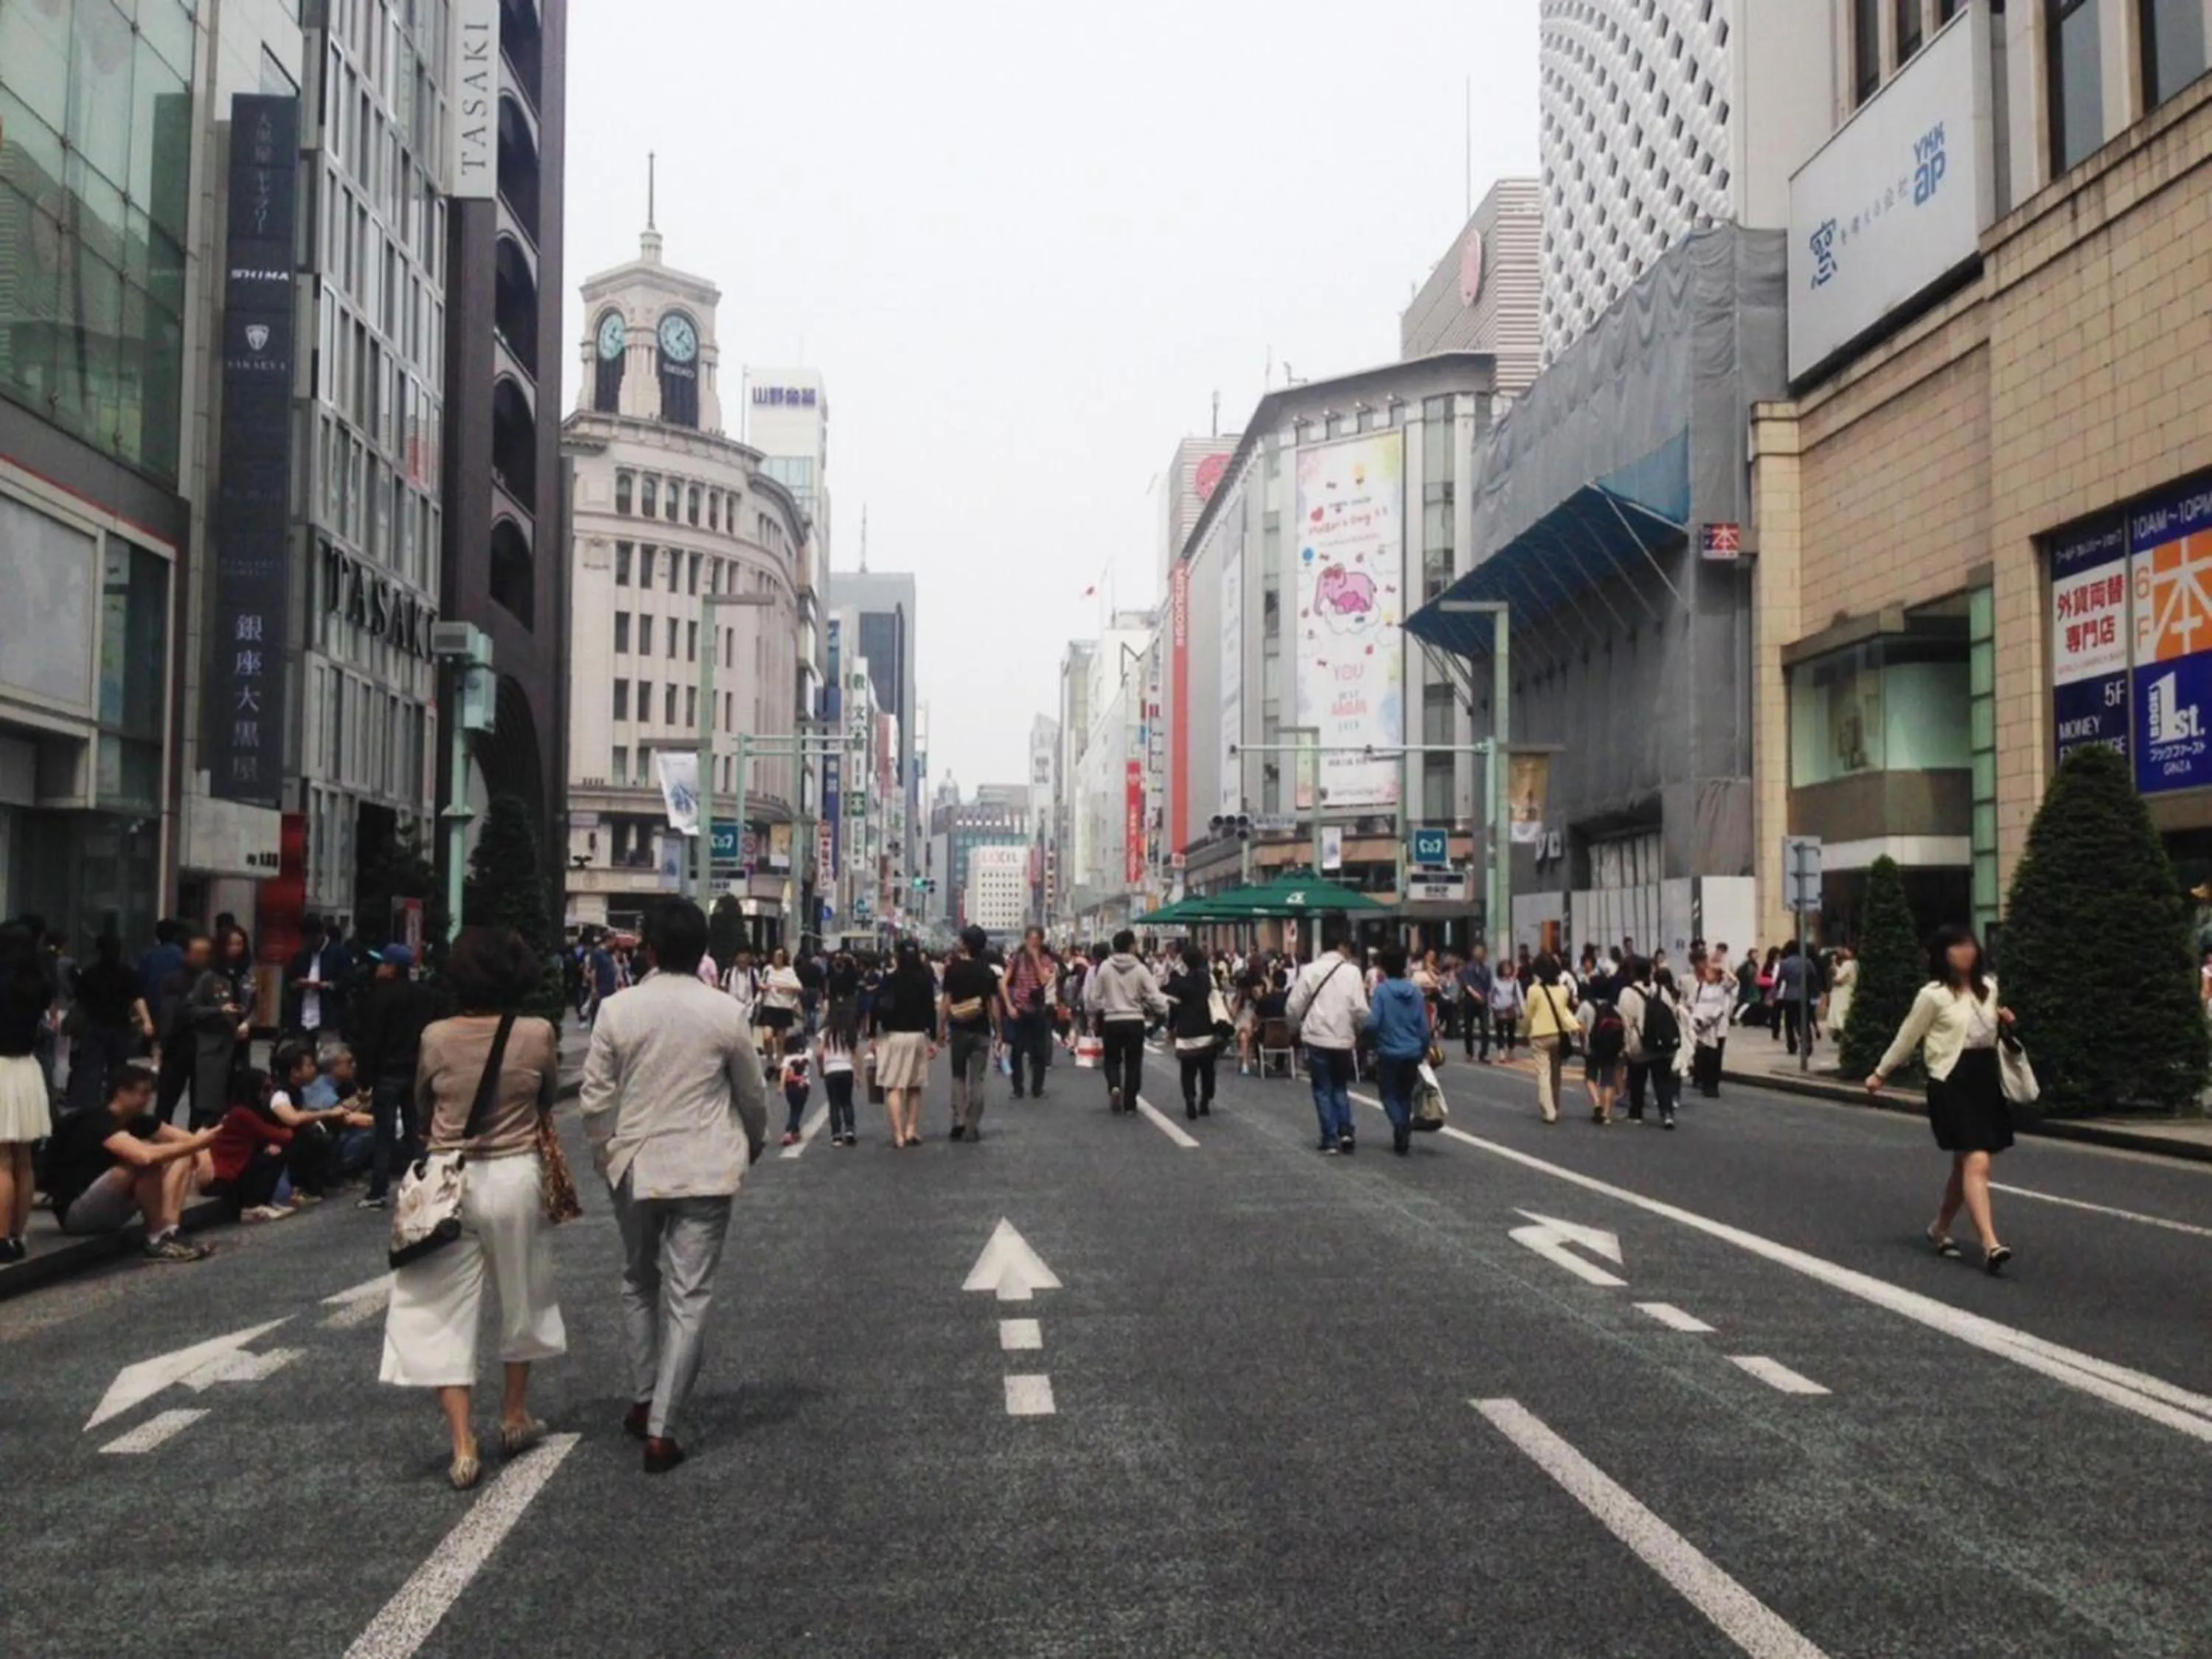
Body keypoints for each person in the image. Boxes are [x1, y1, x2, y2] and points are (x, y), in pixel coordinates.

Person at [581, 900, 768, 1474]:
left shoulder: (616, 1010)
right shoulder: (725, 1012)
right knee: (691, 1296)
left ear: (650, 950)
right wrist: (751, 1144)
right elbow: (752, 1095)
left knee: (639, 1279)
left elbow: (594, 1099)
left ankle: (643, 1397)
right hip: (707, 1164)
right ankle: (664, 1427)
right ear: (703, 951)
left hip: (635, 1162)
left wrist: (604, 1153)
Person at [382, 928, 568, 1490]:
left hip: (447, 1178)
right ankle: (514, 1414)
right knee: (524, 1292)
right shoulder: (537, 1033)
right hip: (515, 1174)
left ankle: (463, 1444)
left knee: (437, 1308)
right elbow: (547, 1098)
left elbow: (422, 1102)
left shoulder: (436, 1036)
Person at [1868, 925, 2017, 1273]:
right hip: (1950, 1079)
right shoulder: (1933, 995)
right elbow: (1909, 1035)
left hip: (1983, 1077)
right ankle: (1990, 1244)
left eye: (1969, 945)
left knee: (1964, 1165)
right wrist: (1881, 1072)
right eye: (1956, 947)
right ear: (1942, 955)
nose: (1966, 951)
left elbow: (1986, 1032)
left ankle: (1940, 1228)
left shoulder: (1989, 988)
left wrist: (2007, 1022)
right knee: (1977, 1161)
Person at [44, 1062, 217, 1260]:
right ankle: (156, 1237)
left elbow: (182, 1139)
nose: (147, 1100)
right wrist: (198, 1145)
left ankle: (169, 1231)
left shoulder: (136, 1119)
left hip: (109, 1205)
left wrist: (202, 1152)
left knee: (180, 1156)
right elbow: (143, 1156)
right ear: (121, 1093)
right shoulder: (99, 1120)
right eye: (142, 1093)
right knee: (144, 1163)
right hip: (76, 1213)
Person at [352, 945, 446, 1210]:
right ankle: (426, 1186)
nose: (378, 968)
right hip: (417, 1071)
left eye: (382, 963)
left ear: (392, 967)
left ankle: (378, 1191)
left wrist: (364, 1079)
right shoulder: (427, 996)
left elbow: (372, 1039)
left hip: (388, 1072)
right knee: (416, 1130)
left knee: (383, 1133)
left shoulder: (380, 997)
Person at [0, 926, 56, 1262]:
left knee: (1, 1160)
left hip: (1, 1067)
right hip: (27, 1068)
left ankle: (0, 1236)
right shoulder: (39, 986)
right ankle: (17, 1234)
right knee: (23, 1158)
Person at [1287, 928, 1368, 1154]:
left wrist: (1293, 1026)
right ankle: (1345, 1131)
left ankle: (1330, 1138)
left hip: (1316, 1036)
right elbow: (1361, 1009)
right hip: (1343, 1038)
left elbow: (1294, 1005)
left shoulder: (1310, 970)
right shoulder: (1353, 972)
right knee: (1340, 1086)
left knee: (1322, 1088)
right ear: (1342, 947)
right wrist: (1361, 1030)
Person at [1083, 929, 1169, 1117]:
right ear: (1131, 946)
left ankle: (1114, 1086)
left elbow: (1093, 998)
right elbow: (1154, 995)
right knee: (1133, 1063)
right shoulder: (1140, 968)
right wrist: (1163, 1009)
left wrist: (1098, 1008)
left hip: (1112, 1020)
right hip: (1134, 1020)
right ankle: (1130, 1103)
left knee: (1112, 1059)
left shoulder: (1105, 967)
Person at [67, 933, 153, 1116]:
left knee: (91, 1069)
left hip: (94, 1026)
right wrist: (146, 1021)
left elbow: (80, 1001)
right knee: (118, 1070)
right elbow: (137, 997)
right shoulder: (127, 972)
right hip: (119, 1026)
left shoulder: (89, 973)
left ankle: (89, 1111)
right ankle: (115, 1108)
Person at [871, 940, 939, 1148]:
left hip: (893, 1036)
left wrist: (872, 1034)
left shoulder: (889, 980)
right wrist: (933, 1038)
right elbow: (931, 1010)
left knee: (893, 1085)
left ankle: (898, 1135)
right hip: (917, 1035)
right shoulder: (924, 980)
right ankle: (911, 1130)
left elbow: (876, 1008)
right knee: (914, 1086)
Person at [941, 927, 1004, 1143]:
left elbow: (946, 1001)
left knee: (958, 1075)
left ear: (965, 944)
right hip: (981, 1029)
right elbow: (993, 1004)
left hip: (958, 1028)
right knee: (977, 1079)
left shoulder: (953, 969)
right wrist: (999, 1030)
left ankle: (958, 1120)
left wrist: (940, 1027)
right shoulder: (987, 971)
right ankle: (972, 1125)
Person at [1369, 946, 1433, 1155]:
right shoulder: (1415, 992)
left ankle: (1399, 1124)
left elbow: (1373, 1023)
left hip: (1388, 1050)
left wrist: (1370, 1040)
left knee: (1388, 1093)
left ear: (1384, 968)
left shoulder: (1382, 991)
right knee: (1406, 1094)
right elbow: (1424, 1027)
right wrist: (1424, 1049)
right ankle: (1404, 1127)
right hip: (1412, 1051)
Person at [1164, 943, 1221, 1122]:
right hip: (1207, 1030)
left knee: (1187, 1070)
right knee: (1207, 1069)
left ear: (1185, 962)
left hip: (1186, 1031)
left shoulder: (1180, 983)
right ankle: (1205, 1099)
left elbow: (1173, 1007)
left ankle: (1190, 1099)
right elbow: (1216, 1001)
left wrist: (1171, 1027)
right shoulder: (1208, 980)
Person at [1001, 928, 1057, 1099]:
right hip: (1020, 1009)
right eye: (1030, 939)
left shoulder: (1046, 960)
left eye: (1037, 939)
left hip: (1038, 1010)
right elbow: (1003, 983)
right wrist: (1009, 1006)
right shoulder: (1016, 960)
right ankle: (1018, 1088)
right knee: (1017, 1051)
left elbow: (1044, 980)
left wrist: (1035, 958)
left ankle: (1037, 1088)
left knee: (1038, 1052)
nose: (1033, 942)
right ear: (1025, 940)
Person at [1523, 954, 1577, 1125]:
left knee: (1543, 1073)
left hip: (1540, 1035)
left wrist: (1525, 1031)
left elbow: (1528, 1015)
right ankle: (1556, 1104)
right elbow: (1563, 1013)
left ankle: (1549, 1111)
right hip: (1557, 1034)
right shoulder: (1563, 990)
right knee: (1556, 1072)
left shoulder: (1533, 990)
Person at [285, 914, 355, 1042]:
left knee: (328, 1058)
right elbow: (289, 983)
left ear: (321, 934)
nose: (310, 943)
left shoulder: (339, 953)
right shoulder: (301, 956)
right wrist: (297, 984)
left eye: (313, 939)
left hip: (329, 1018)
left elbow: (348, 981)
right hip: (303, 1017)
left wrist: (326, 985)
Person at [1688, 956, 1734, 1099]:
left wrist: (1724, 968)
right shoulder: (1700, 987)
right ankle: (1703, 1081)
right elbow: (1692, 1003)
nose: (1707, 974)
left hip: (1718, 1026)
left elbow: (1734, 982)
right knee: (1705, 1055)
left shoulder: (1723, 988)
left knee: (1716, 1056)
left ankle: (1713, 1085)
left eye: (1711, 972)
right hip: (1702, 1027)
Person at [1582, 980, 1627, 1125]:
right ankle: (1607, 1114)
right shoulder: (1615, 1008)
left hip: (1593, 1047)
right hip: (1611, 1048)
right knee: (1608, 1080)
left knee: (1590, 1077)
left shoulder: (1586, 1005)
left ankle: (1596, 1102)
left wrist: (1584, 1043)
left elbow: (1580, 1026)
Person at [818, 1001, 860, 1147]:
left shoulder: (825, 1032)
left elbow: (819, 1052)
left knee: (834, 1103)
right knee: (847, 1101)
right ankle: (850, 1130)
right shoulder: (849, 1032)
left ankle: (836, 1134)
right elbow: (855, 1054)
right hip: (847, 1068)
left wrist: (821, 1067)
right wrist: (857, 1074)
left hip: (831, 1068)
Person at [759, 948, 804, 1046]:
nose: (777, 958)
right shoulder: (768, 969)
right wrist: (764, 987)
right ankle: (769, 1057)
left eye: (780, 956)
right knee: (767, 1037)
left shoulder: (789, 971)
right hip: (769, 1005)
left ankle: (780, 1059)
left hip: (784, 1007)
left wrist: (784, 988)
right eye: (775, 955)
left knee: (780, 1041)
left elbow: (799, 987)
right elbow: (761, 983)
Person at [777, 1032, 813, 1148]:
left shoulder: (787, 1058)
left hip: (790, 1086)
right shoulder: (807, 1055)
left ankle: (795, 1130)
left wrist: (781, 1085)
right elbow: (810, 1051)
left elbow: (784, 1072)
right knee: (797, 1110)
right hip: (803, 1085)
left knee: (793, 1107)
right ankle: (790, 1131)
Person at [1457, 948, 1493, 1062]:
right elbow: (1466, 984)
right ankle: (1469, 1052)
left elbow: (1488, 987)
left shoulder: (1486, 970)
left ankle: (1484, 1053)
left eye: (1482, 954)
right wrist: (1475, 994)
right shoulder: (1468, 968)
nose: (1481, 956)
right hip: (1470, 1000)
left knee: (1485, 1028)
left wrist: (1485, 997)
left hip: (1483, 1001)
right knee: (1469, 1027)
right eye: (1478, 954)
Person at [1488, 958, 1524, 1060]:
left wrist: (1522, 1009)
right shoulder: (1495, 982)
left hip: (1510, 1010)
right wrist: (1491, 1006)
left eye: (1508, 968)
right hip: (1499, 1010)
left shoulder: (1514, 982)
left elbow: (1519, 996)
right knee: (1500, 1032)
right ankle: (1501, 1052)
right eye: (1505, 968)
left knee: (1511, 1032)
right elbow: (1491, 994)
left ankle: (1511, 1050)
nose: (1507, 970)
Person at [1824, 946, 1857, 1043]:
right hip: (1845, 992)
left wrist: (1834, 978)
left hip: (1842, 993)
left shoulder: (1848, 964)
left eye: (1847, 950)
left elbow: (1838, 979)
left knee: (1840, 1016)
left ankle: (1845, 1037)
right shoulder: (1852, 964)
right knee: (1842, 1014)